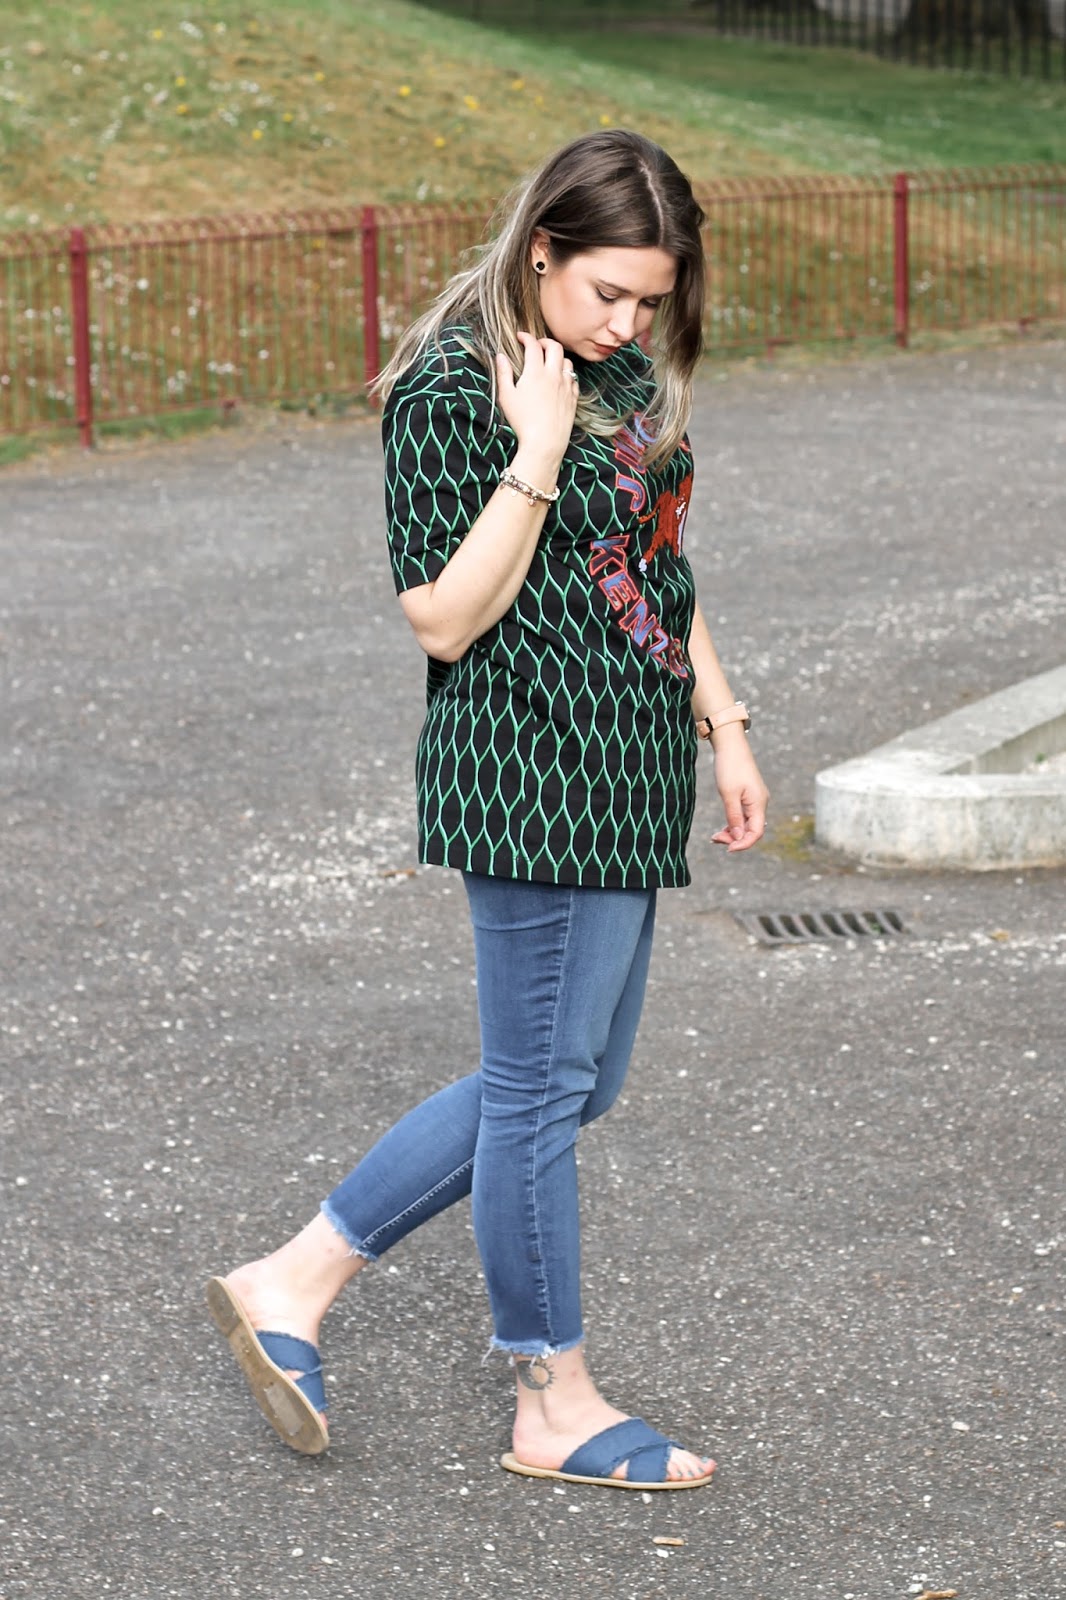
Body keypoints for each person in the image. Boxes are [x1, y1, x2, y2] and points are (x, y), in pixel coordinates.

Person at [207, 128, 769, 1491]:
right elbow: (445, 617)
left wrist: (723, 718)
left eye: (649, 301)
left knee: (572, 1082)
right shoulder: (454, 385)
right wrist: (537, 450)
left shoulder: (610, 364)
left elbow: (653, 558)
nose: (627, 324)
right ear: (542, 250)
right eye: (607, 293)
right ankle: (550, 1398)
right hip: (534, 774)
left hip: (628, 765)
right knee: (537, 1091)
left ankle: (292, 1280)